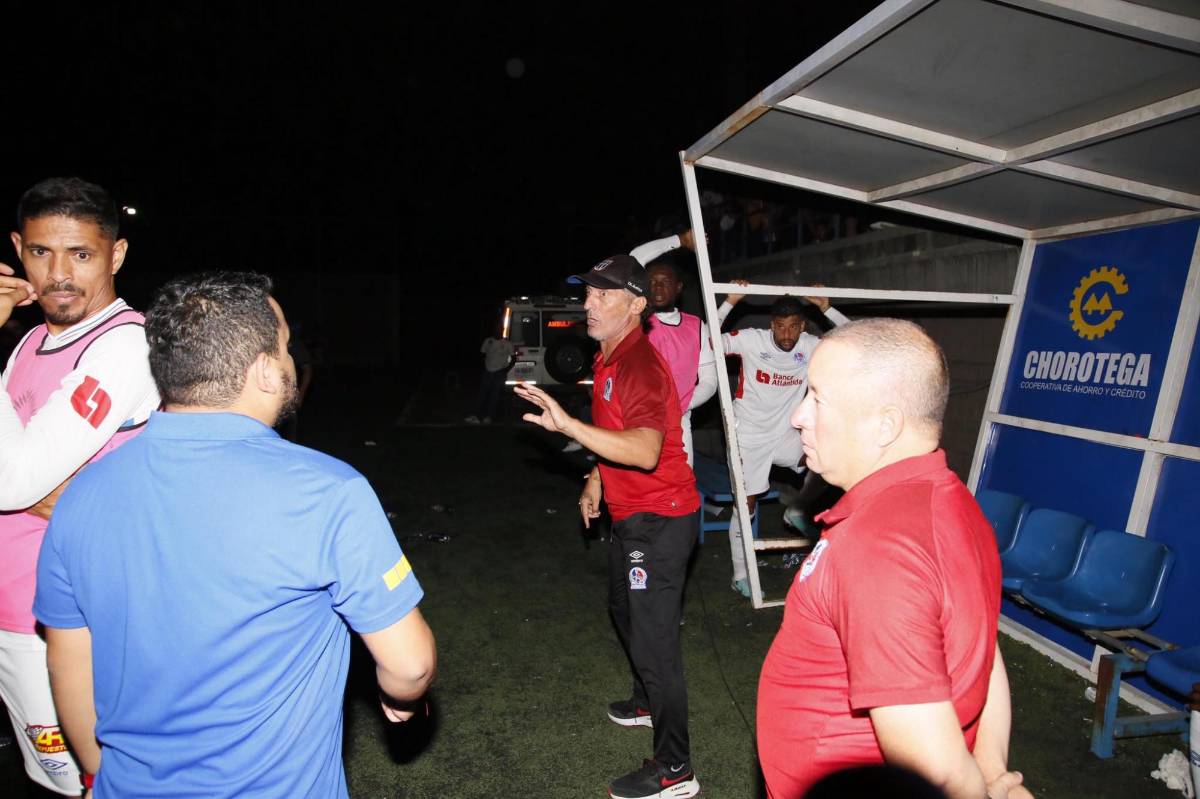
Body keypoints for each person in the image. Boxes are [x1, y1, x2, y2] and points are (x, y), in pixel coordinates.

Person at [33, 272, 436, 798]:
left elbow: (68, 661)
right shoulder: (327, 491)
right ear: (265, 371)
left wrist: (98, 775)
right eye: (285, 347)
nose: (291, 360)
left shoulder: (82, 495)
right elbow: (411, 664)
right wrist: (404, 699)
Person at [757, 318, 1026, 799]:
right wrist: (989, 767)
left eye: (817, 398)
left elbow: (938, 773)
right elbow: (979, 649)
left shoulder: (879, 547)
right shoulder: (950, 504)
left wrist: (978, 783)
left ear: (885, 424)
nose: (798, 416)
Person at [514, 254, 700, 799]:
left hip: (660, 519)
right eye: (588, 293)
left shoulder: (639, 364)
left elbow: (644, 450)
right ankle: (645, 703)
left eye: (603, 295)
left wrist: (569, 425)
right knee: (622, 608)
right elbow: (616, 431)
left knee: (655, 644)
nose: (588, 304)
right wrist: (595, 477)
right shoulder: (609, 357)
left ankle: (676, 770)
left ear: (636, 305)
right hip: (630, 512)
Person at [0, 177, 160, 795]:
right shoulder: (32, 340)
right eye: (42, 252)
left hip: (64, 617)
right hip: (17, 609)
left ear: (115, 255)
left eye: (81, 254)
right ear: (19, 250)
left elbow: (12, 482)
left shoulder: (124, 346)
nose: (59, 274)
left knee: (88, 781)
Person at [717, 281, 848, 596]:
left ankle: (798, 510)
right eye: (780, 326)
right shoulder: (751, 340)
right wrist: (729, 302)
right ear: (771, 325)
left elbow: (861, 341)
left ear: (802, 326)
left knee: (828, 462)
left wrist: (827, 308)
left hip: (787, 433)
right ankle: (741, 574)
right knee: (745, 504)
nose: (786, 334)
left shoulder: (810, 346)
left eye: (793, 327)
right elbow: (703, 342)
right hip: (748, 435)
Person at [628, 230, 717, 465]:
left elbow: (710, 380)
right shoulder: (634, 320)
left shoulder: (696, 326)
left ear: (678, 287)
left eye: (665, 282)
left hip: (679, 422)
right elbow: (633, 260)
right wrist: (680, 241)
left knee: (682, 482)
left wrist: (681, 404)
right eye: (651, 282)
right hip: (636, 420)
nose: (657, 287)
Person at [466, 320, 514, 424]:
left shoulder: (507, 343)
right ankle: (476, 416)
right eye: (496, 329)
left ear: (502, 330)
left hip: (499, 372)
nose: (498, 330)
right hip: (487, 371)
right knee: (482, 394)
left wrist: (506, 369)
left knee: (495, 395)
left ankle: (489, 417)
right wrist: (483, 367)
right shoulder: (488, 341)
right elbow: (482, 354)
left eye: (499, 329)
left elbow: (513, 358)